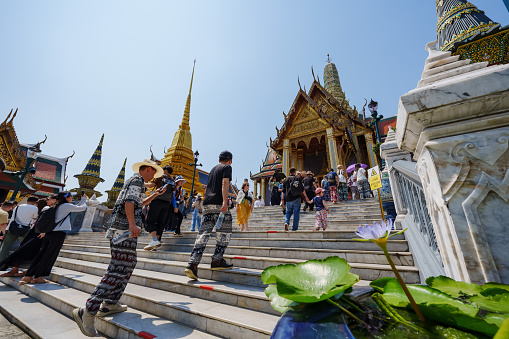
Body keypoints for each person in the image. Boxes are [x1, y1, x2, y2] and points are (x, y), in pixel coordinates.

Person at [73, 159, 164, 337]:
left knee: (128, 264)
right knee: (118, 268)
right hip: (123, 229)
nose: (154, 177)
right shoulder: (137, 180)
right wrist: (131, 224)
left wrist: (154, 195)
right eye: (153, 172)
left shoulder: (135, 182)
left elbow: (138, 203)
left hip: (123, 230)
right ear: (147, 169)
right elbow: (129, 203)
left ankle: (110, 302)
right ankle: (88, 310)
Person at [185, 151, 234, 280]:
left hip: (207, 203)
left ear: (219, 159)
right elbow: (225, 183)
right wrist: (224, 201)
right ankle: (217, 260)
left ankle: (193, 263)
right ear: (230, 160)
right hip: (218, 203)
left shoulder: (213, 169)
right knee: (225, 231)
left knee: (204, 233)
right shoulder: (227, 167)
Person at [143, 165, 177, 250]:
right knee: (160, 223)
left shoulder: (160, 177)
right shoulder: (173, 181)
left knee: (150, 221)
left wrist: (142, 182)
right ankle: (156, 241)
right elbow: (173, 194)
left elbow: (151, 185)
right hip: (166, 203)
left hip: (157, 200)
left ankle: (154, 240)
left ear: (165, 170)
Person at [0, 196, 39, 263]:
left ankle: (1, 262)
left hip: (12, 228)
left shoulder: (18, 207)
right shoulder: (35, 208)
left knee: (5, 247)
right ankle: (18, 262)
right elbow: (35, 218)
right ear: (35, 202)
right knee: (23, 246)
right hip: (25, 230)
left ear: (27, 200)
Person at [281, 167, 309, 231]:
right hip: (296, 198)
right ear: (295, 172)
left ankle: (286, 223)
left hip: (288, 199)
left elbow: (283, 191)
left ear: (289, 172)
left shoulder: (286, 179)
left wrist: (282, 199)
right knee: (296, 213)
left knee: (288, 213)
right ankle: (294, 228)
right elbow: (302, 189)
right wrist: (306, 197)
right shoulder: (297, 178)